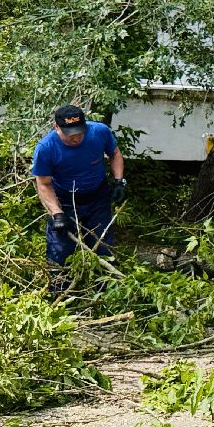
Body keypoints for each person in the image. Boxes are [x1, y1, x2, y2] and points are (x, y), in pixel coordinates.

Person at [31, 105, 127, 290]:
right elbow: (43, 184)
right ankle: (59, 296)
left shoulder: (99, 132)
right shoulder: (46, 148)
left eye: (79, 132)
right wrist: (57, 213)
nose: (76, 138)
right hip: (65, 200)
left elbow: (114, 154)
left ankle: (106, 293)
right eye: (70, 134)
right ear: (56, 127)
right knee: (60, 251)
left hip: (97, 197)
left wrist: (119, 182)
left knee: (103, 247)